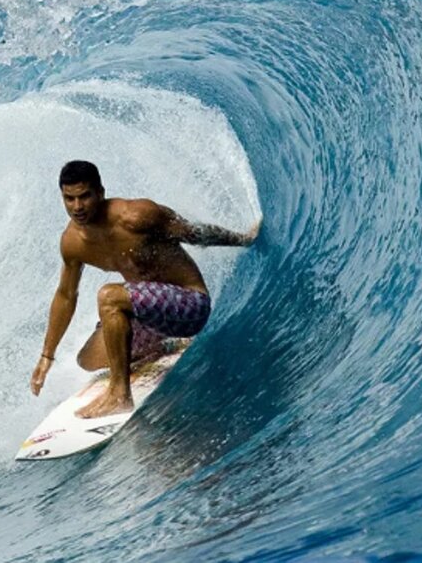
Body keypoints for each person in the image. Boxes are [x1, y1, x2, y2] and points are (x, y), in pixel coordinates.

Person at [29, 160, 260, 419]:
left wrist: (241, 239)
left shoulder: (137, 216)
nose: (77, 207)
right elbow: (66, 295)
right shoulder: (73, 243)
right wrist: (47, 355)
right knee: (88, 360)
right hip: (149, 318)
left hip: (189, 304)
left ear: (101, 192)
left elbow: (193, 233)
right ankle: (158, 347)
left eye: (85, 196)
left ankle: (120, 395)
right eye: (69, 199)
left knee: (109, 296)